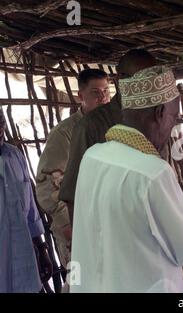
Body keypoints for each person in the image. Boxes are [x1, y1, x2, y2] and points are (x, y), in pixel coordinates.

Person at [69, 65, 183, 292]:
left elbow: (124, 219)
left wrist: (176, 211)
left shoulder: (94, 156)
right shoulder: (153, 172)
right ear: (160, 113)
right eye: (173, 117)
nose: (172, 126)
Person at [58, 49, 157, 224]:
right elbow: (74, 191)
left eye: (151, 79)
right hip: (107, 224)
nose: (145, 84)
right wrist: (81, 240)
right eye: (139, 78)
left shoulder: (156, 116)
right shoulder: (90, 125)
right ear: (121, 79)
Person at [36, 69, 110, 268]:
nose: (103, 97)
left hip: (107, 227)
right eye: (95, 92)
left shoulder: (115, 129)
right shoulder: (65, 134)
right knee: (80, 283)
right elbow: (46, 186)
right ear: (80, 96)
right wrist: (67, 225)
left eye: (106, 91)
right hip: (76, 230)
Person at [0, 108, 53, 292]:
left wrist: (42, 248)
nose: (0, 126)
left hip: (25, 262)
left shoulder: (14, 155)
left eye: (1, 120)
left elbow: (31, 210)